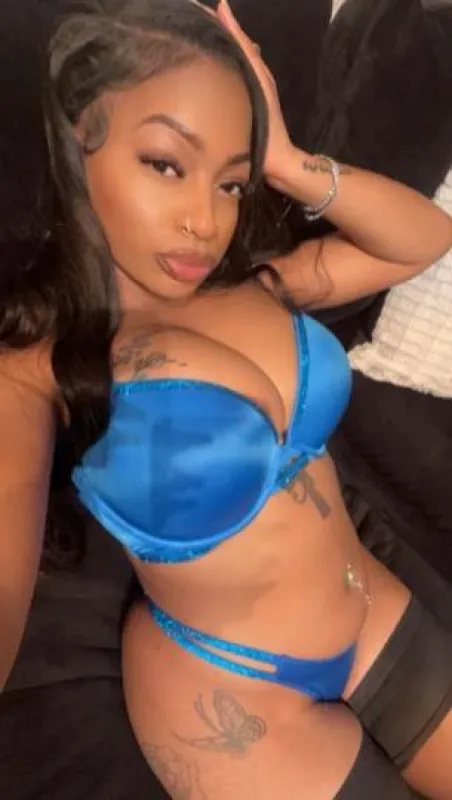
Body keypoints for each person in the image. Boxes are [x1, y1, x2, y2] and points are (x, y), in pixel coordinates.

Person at [2, 0, 452, 798]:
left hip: (368, 608)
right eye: (166, 164)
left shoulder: (259, 284)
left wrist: (286, 160)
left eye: (231, 183)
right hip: (233, 700)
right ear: (76, 140)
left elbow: (423, 238)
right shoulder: (36, 368)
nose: (205, 221)